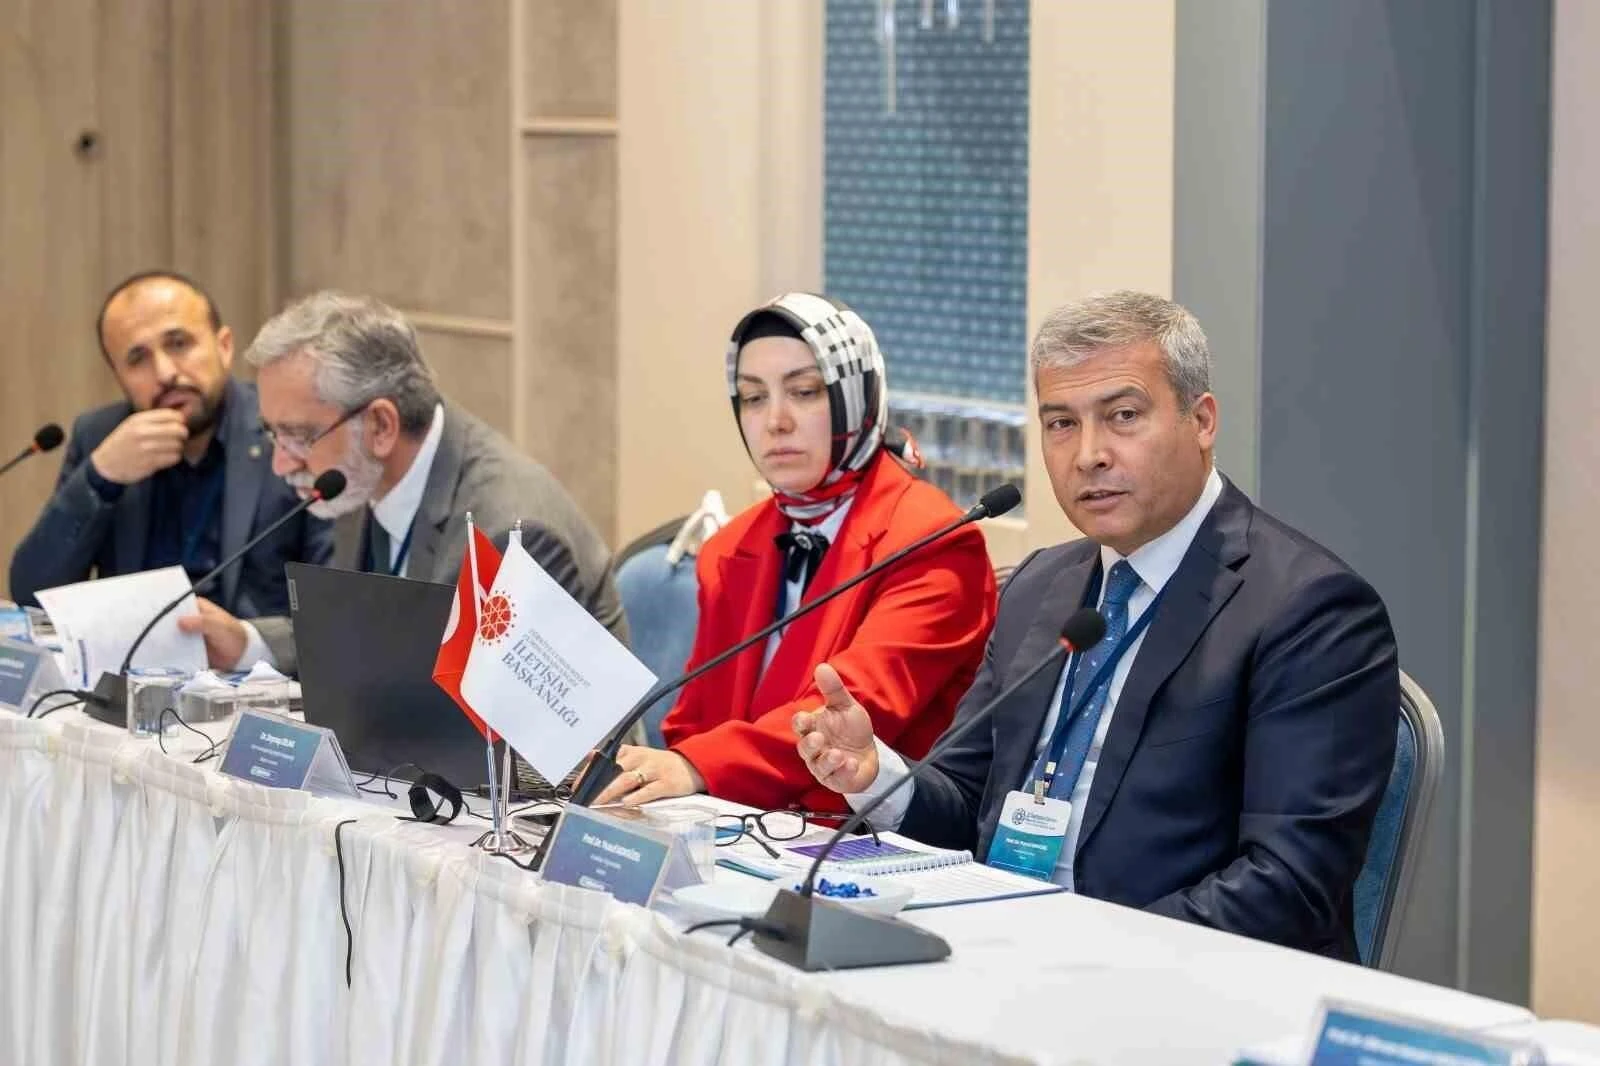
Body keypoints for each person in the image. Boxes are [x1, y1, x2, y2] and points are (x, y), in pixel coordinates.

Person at [794, 290, 1398, 960]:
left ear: (1202, 421)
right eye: (1060, 424)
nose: (1088, 455)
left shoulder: (1309, 610)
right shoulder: (1039, 587)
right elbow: (967, 804)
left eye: (1123, 417)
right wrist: (875, 773)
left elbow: (1289, 885)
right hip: (1004, 956)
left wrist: (1082, 950)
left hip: (1178, 987)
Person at [596, 292, 997, 812]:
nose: (775, 422)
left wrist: (697, 767)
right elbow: (695, 720)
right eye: (753, 397)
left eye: (804, 392)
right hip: (738, 827)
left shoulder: (936, 542)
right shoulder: (731, 546)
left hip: (862, 843)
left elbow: (845, 719)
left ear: (855, 398)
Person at [182, 291, 627, 674]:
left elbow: (520, 746)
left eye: (299, 436)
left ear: (380, 426)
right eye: (273, 433)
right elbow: (366, 633)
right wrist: (247, 642)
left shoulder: (508, 533)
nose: (280, 464)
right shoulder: (358, 474)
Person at [9, 270, 333, 620]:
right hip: (134, 669)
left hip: (257, 670)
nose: (164, 372)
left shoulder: (289, 432)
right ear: (119, 378)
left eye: (179, 344)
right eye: (138, 359)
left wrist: (251, 642)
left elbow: (334, 613)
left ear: (224, 347)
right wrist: (99, 478)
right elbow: (33, 594)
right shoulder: (100, 436)